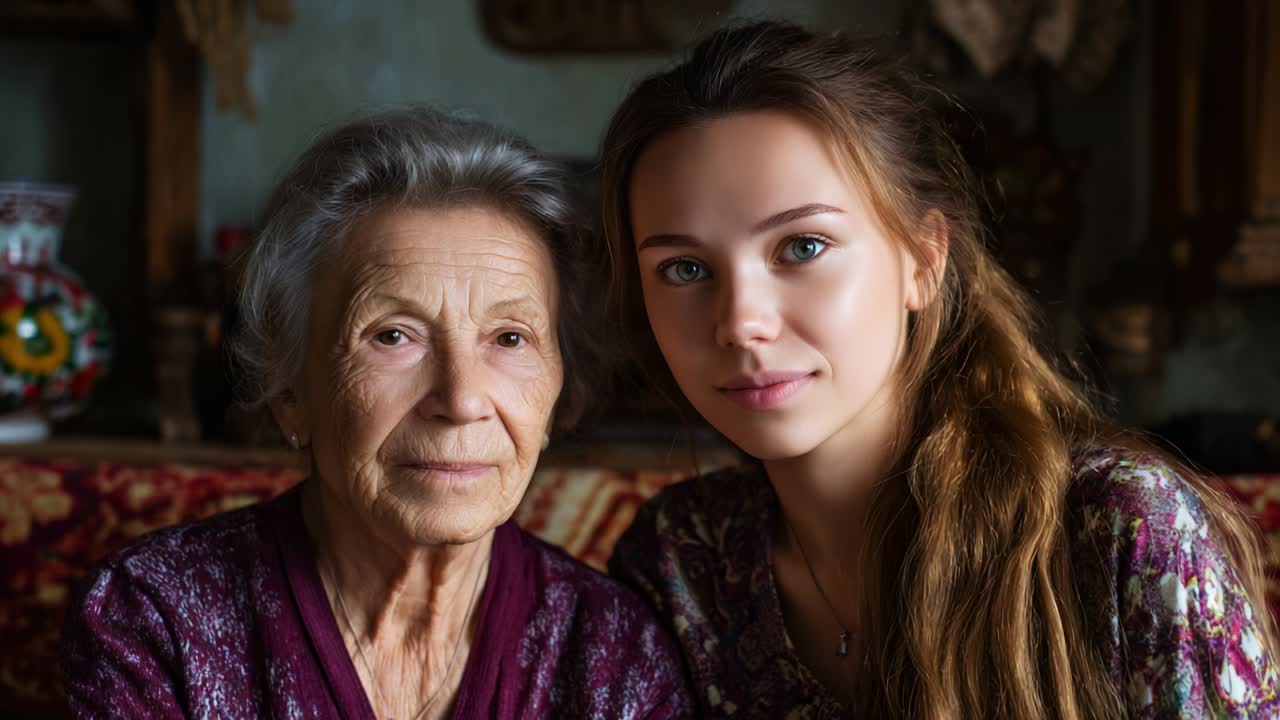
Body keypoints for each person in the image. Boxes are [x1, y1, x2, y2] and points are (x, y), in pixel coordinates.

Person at [602, 20, 1279, 719]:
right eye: (684, 269)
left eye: (802, 247)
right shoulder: (682, 561)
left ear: (924, 260)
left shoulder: (1117, 533)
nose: (741, 321)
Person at [62, 107, 692, 719]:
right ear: (290, 390)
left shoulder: (615, 654)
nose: (462, 400)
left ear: (556, 390)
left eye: (509, 338)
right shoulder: (156, 619)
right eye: (393, 336)